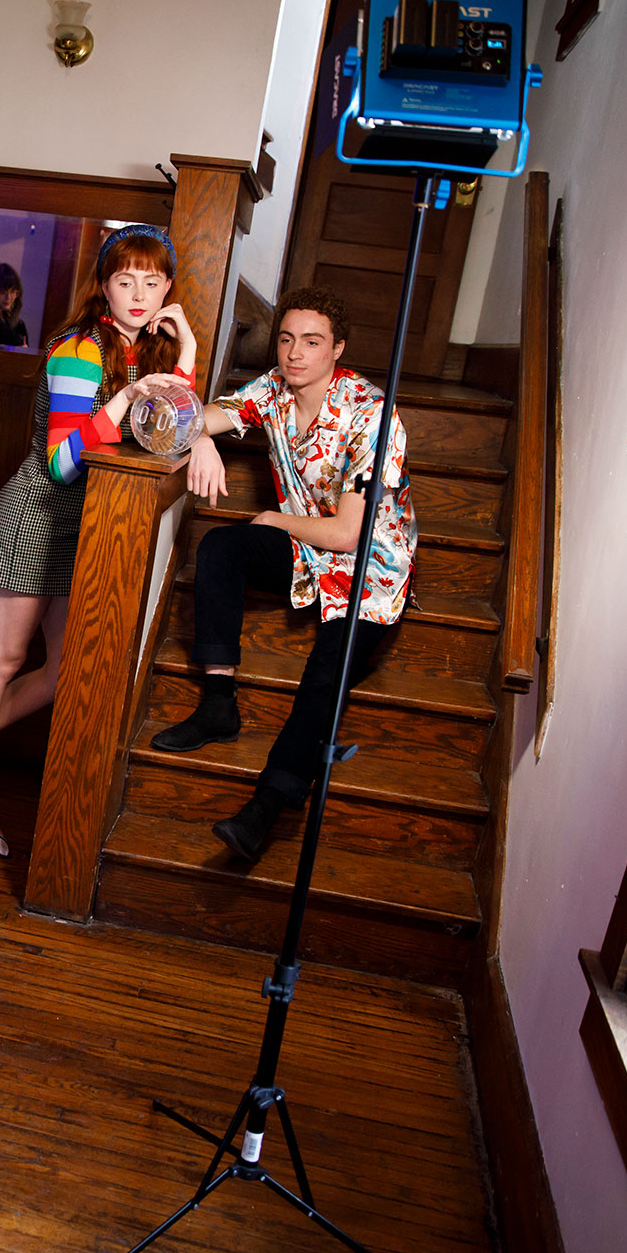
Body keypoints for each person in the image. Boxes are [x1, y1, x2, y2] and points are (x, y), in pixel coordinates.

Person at [0, 225, 197, 855]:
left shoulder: (140, 350)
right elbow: (63, 464)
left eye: (153, 282)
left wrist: (187, 357)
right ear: (103, 286)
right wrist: (123, 403)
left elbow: (175, 431)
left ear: (168, 288)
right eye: (126, 280)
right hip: (36, 518)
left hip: (85, 527)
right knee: (3, 660)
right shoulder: (81, 350)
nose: (139, 294)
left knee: (62, 672)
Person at [150, 285, 418, 862]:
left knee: (327, 671)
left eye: (312, 342)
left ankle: (267, 806)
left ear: (337, 350)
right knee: (221, 545)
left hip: (370, 569)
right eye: (287, 338)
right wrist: (199, 440)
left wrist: (275, 517)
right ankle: (219, 701)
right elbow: (196, 416)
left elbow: (349, 534)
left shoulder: (373, 414)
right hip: (305, 549)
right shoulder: (272, 388)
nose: (295, 353)